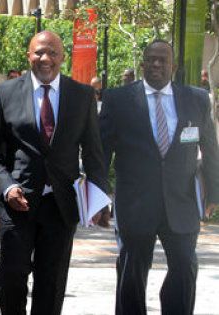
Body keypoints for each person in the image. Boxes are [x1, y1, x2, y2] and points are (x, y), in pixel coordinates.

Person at [0, 31, 108, 315]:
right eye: (38, 52)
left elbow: (94, 152)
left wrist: (99, 199)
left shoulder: (82, 95)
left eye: (52, 52)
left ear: (63, 58)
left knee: (51, 283)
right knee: (11, 277)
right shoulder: (6, 92)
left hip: (61, 206)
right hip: (17, 204)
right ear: (28, 55)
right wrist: (7, 186)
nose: (45, 58)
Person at [100, 39, 219, 315]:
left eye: (162, 60)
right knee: (132, 273)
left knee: (185, 268)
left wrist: (214, 193)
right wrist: (98, 197)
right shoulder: (118, 100)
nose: (156, 64)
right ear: (142, 64)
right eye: (151, 59)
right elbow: (101, 152)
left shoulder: (196, 100)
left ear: (173, 66)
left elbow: (211, 150)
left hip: (182, 202)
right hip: (135, 204)